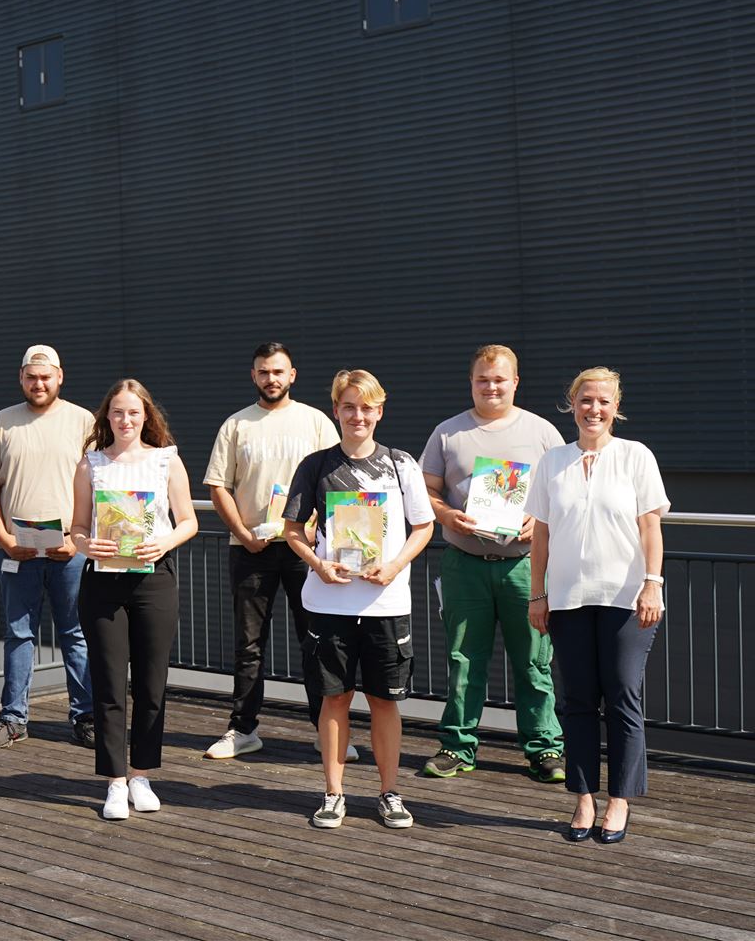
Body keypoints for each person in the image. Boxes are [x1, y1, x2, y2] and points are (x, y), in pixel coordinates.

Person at [284, 369, 434, 831]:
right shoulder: (315, 465)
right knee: (334, 699)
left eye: (367, 407)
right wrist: (318, 564)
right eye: (349, 407)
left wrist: (393, 567)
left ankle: (390, 792)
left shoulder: (400, 463)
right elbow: (291, 529)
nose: (358, 416)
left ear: (379, 412)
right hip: (328, 603)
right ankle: (333, 793)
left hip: (386, 604)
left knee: (384, 701)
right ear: (336, 411)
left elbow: (423, 527)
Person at [526, 367, 668, 845]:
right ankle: (584, 797)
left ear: (616, 406)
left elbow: (651, 528)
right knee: (579, 701)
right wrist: (538, 593)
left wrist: (653, 584)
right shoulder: (552, 462)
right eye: (586, 400)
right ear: (572, 403)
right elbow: (541, 534)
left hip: (626, 599)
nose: (594, 409)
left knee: (623, 695)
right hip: (567, 600)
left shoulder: (635, 457)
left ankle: (620, 800)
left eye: (603, 401)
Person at [419, 345, 568, 783]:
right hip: (465, 563)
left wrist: (538, 520)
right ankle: (457, 747)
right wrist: (447, 515)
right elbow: (426, 491)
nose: (491, 387)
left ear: (515, 382)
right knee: (464, 659)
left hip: (526, 565)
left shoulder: (542, 433)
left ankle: (544, 749)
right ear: (472, 382)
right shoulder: (448, 433)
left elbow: (565, 494)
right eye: (483, 379)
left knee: (534, 661)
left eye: (500, 379)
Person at [201, 341, 341, 760]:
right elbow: (217, 486)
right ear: (254, 376)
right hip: (251, 549)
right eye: (263, 371)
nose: (271, 379)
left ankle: (326, 730)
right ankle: (243, 729)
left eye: (278, 371)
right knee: (248, 645)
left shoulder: (316, 423)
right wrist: (243, 533)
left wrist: (315, 529)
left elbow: (336, 481)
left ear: (292, 375)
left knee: (315, 640)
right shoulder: (236, 425)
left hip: (306, 550)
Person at [70, 379, 198, 820]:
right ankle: (114, 780)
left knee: (151, 684)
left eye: (134, 412)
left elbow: (188, 522)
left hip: (153, 580)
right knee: (107, 685)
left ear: (147, 416)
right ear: (107, 417)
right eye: (118, 412)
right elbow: (76, 530)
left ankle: (141, 774)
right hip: (103, 583)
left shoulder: (167, 461)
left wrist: (163, 543)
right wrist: (88, 546)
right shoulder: (91, 464)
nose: (126, 420)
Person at [0, 345, 97, 750]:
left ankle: (86, 717)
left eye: (46, 377)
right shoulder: (3, 421)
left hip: (69, 548)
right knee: (18, 635)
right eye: (32, 377)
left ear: (60, 377)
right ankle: (13, 719)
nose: (39, 383)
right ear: (21, 378)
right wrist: (5, 538)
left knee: (76, 633)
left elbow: (101, 486)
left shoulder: (84, 421)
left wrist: (77, 538)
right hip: (17, 550)